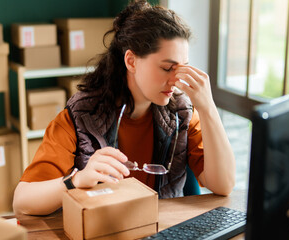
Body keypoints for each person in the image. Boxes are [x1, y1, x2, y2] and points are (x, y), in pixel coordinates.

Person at [13, 0, 236, 216]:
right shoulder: (80, 116)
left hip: (165, 229)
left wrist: (208, 108)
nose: (175, 81)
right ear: (131, 61)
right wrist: (77, 180)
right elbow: (22, 202)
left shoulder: (181, 111)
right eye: (167, 68)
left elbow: (223, 185)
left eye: (182, 69)